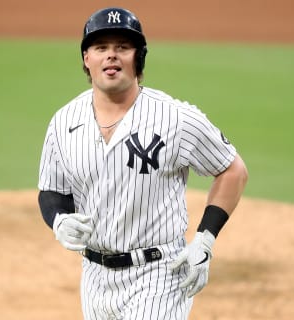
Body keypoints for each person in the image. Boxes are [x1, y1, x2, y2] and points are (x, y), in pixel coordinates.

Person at [37, 7, 248, 320]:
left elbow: (232, 170)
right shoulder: (63, 122)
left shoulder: (174, 117)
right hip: (95, 278)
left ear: (139, 58)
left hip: (160, 274)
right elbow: (52, 190)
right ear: (86, 59)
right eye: (101, 48)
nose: (111, 56)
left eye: (122, 47)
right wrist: (59, 220)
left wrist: (204, 239)